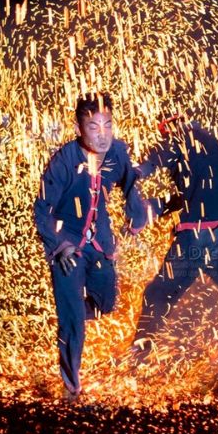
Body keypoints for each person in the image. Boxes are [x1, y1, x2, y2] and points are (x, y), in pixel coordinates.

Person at [32, 93, 152, 401]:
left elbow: (130, 185)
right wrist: (59, 246)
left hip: (100, 247)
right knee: (74, 322)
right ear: (79, 128)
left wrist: (136, 216)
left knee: (107, 303)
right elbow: (41, 207)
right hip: (68, 251)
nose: (103, 134)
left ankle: (70, 316)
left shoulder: (118, 152)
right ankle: (72, 387)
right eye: (94, 127)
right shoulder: (64, 160)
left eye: (108, 125)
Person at [133, 116, 218, 359]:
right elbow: (193, 193)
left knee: (159, 292)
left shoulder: (176, 139)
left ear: (167, 126)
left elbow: (145, 168)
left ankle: (138, 356)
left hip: (202, 232)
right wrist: (155, 208)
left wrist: (123, 173)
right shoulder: (211, 143)